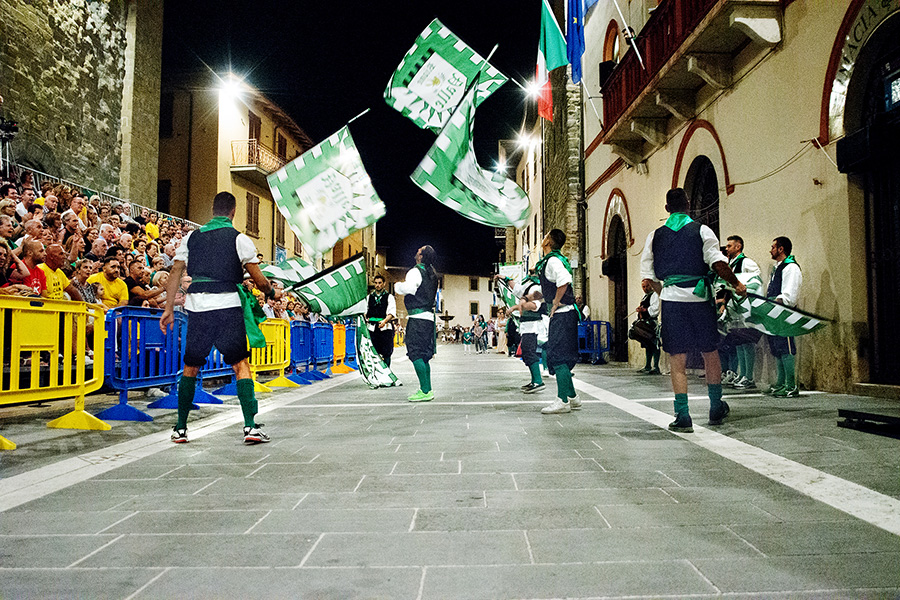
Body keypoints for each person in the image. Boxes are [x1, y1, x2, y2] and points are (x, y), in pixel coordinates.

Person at [160, 191, 280, 444]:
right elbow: (258, 280)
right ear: (233, 212)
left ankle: (180, 428)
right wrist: (270, 291)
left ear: (212, 210)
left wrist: (168, 308)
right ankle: (250, 427)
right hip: (227, 307)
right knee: (240, 364)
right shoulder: (239, 239)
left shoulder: (191, 237)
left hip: (198, 308)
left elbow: (175, 272)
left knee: (190, 366)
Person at [640, 188, 746, 433]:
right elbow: (718, 263)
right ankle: (715, 406)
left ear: (667, 209)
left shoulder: (654, 236)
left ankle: (683, 414)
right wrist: (737, 284)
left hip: (672, 302)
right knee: (710, 352)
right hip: (700, 302)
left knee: (677, 358)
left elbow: (648, 278)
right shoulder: (702, 230)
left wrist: (665, 292)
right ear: (688, 206)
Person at [534, 230, 582, 414]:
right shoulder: (556, 259)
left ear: (547, 241)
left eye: (544, 235)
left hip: (562, 314)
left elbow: (564, 280)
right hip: (566, 315)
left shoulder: (552, 261)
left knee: (558, 356)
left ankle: (562, 401)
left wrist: (554, 303)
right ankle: (573, 396)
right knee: (561, 355)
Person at [394, 245, 438, 402]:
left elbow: (410, 288)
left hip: (417, 318)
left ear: (421, 256)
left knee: (415, 353)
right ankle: (427, 389)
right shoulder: (432, 273)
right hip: (428, 318)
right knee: (424, 355)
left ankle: (425, 390)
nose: (416, 251)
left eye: (418, 250)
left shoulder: (415, 271)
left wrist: (397, 286)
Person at [721, 235, 762, 389]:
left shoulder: (747, 263)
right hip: (734, 307)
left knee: (747, 340)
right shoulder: (729, 264)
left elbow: (755, 281)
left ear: (738, 247)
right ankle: (742, 373)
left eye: (729, 246)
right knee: (738, 341)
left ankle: (749, 376)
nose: (726, 248)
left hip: (745, 307)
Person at [766, 236, 802, 398]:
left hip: (784, 314)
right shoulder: (778, 268)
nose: (770, 250)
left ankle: (791, 385)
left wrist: (775, 302)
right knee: (777, 348)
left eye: (773, 247)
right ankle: (780, 384)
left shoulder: (791, 267)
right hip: (774, 313)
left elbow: (789, 295)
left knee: (786, 348)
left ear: (781, 249)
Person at [509, 278, 546, 394]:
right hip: (527, 327)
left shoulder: (537, 290)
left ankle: (538, 381)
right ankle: (535, 380)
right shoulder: (529, 288)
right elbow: (516, 288)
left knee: (529, 352)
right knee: (526, 352)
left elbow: (533, 305)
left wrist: (521, 303)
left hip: (533, 327)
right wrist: (504, 279)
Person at [366, 274, 396, 366]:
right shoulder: (369, 297)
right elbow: (365, 311)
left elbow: (391, 312)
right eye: (376, 283)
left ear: (384, 284)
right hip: (372, 328)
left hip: (385, 329)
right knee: (373, 352)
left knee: (386, 352)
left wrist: (384, 321)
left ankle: (386, 373)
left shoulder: (389, 297)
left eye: (379, 283)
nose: (377, 285)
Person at [635, 279, 661, 374]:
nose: (645, 289)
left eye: (647, 286)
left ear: (651, 285)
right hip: (645, 322)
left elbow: (655, 309)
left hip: (651, 323)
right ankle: (647, 366)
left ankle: (656, 367)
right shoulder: (645, 296)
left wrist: (644, 310)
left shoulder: (654, 295)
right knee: (647, 344)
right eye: (643, 287)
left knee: (655, 344)